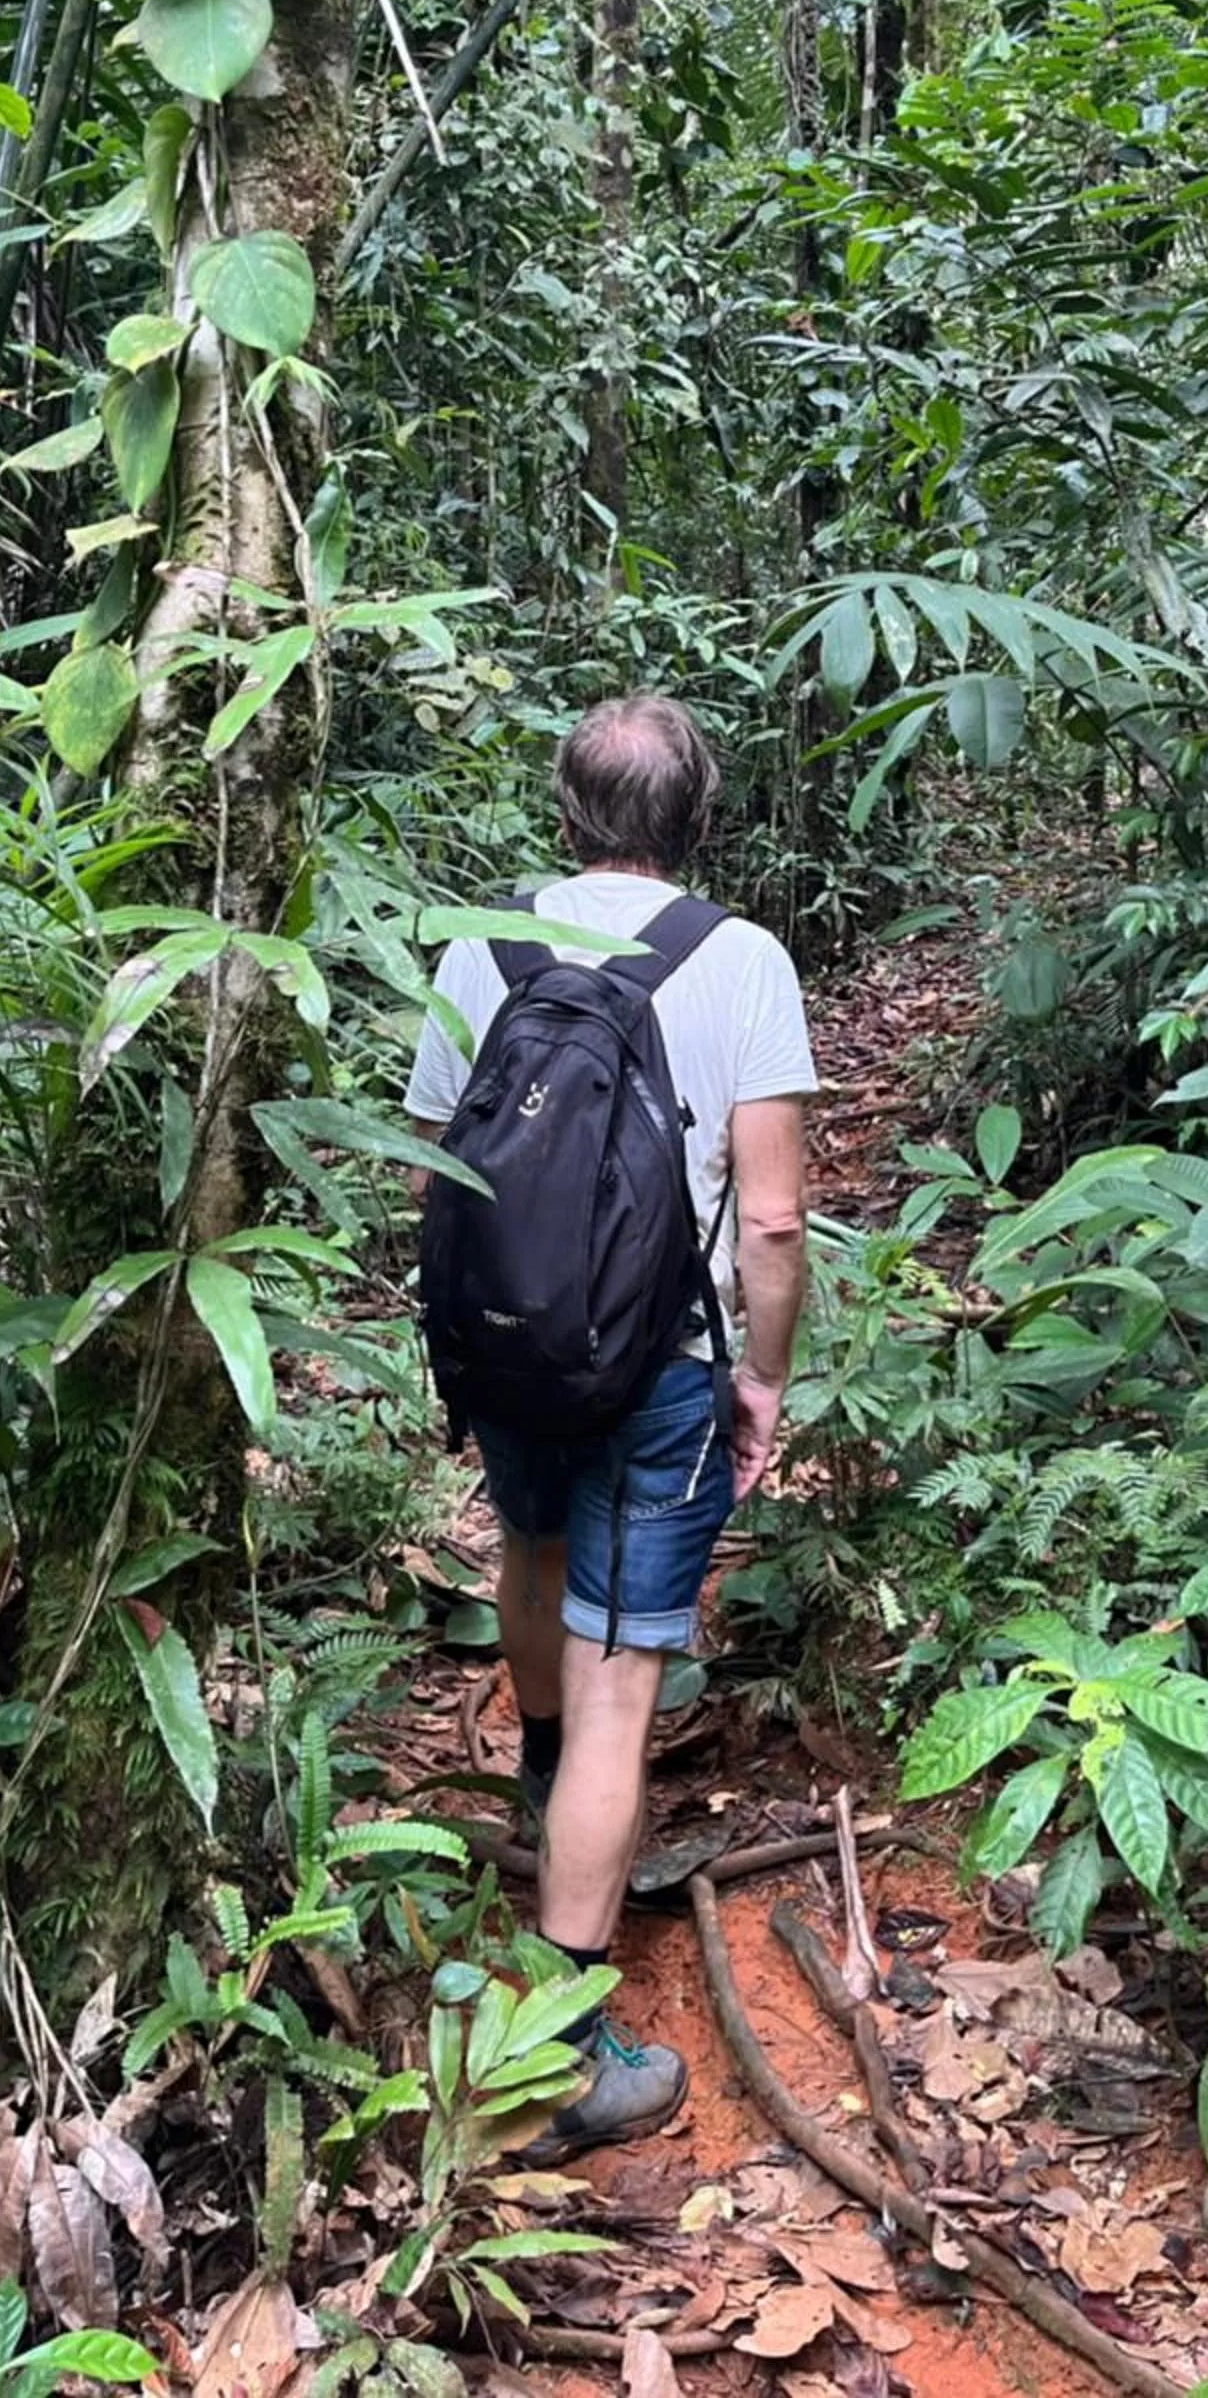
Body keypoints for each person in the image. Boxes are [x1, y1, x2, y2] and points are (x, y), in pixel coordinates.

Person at [404, 694, 816, 2150]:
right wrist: (759, 1374)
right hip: (661, 1361)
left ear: (564, 812)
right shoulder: (740, 958)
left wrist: (484, 1315)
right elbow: (768, 1216)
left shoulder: (483, 939)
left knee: (526, 1542)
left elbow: (435, 1161)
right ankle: (566, 2047)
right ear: (695, 817)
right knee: (624, 1675)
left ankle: (535, 1771)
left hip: (507, 1338)